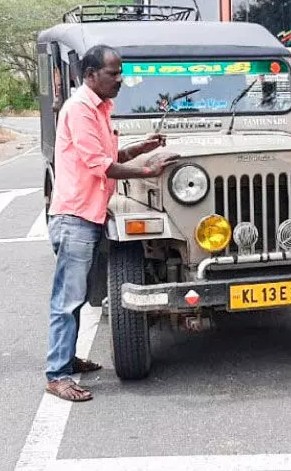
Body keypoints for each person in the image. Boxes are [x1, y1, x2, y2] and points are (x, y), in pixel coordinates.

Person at [45, 45, 179, 402]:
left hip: (89, 215)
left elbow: (109, 155)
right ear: (90, 75)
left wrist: (141, 148)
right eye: (113, 73)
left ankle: (67, 359)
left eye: (121, 72)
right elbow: (100, 166)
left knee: (78, 297)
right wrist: (148, 170)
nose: (120, 79)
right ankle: (57, 375)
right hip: (75, 217)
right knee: (67, 300)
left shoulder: (100, 108)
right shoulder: (80, 109)